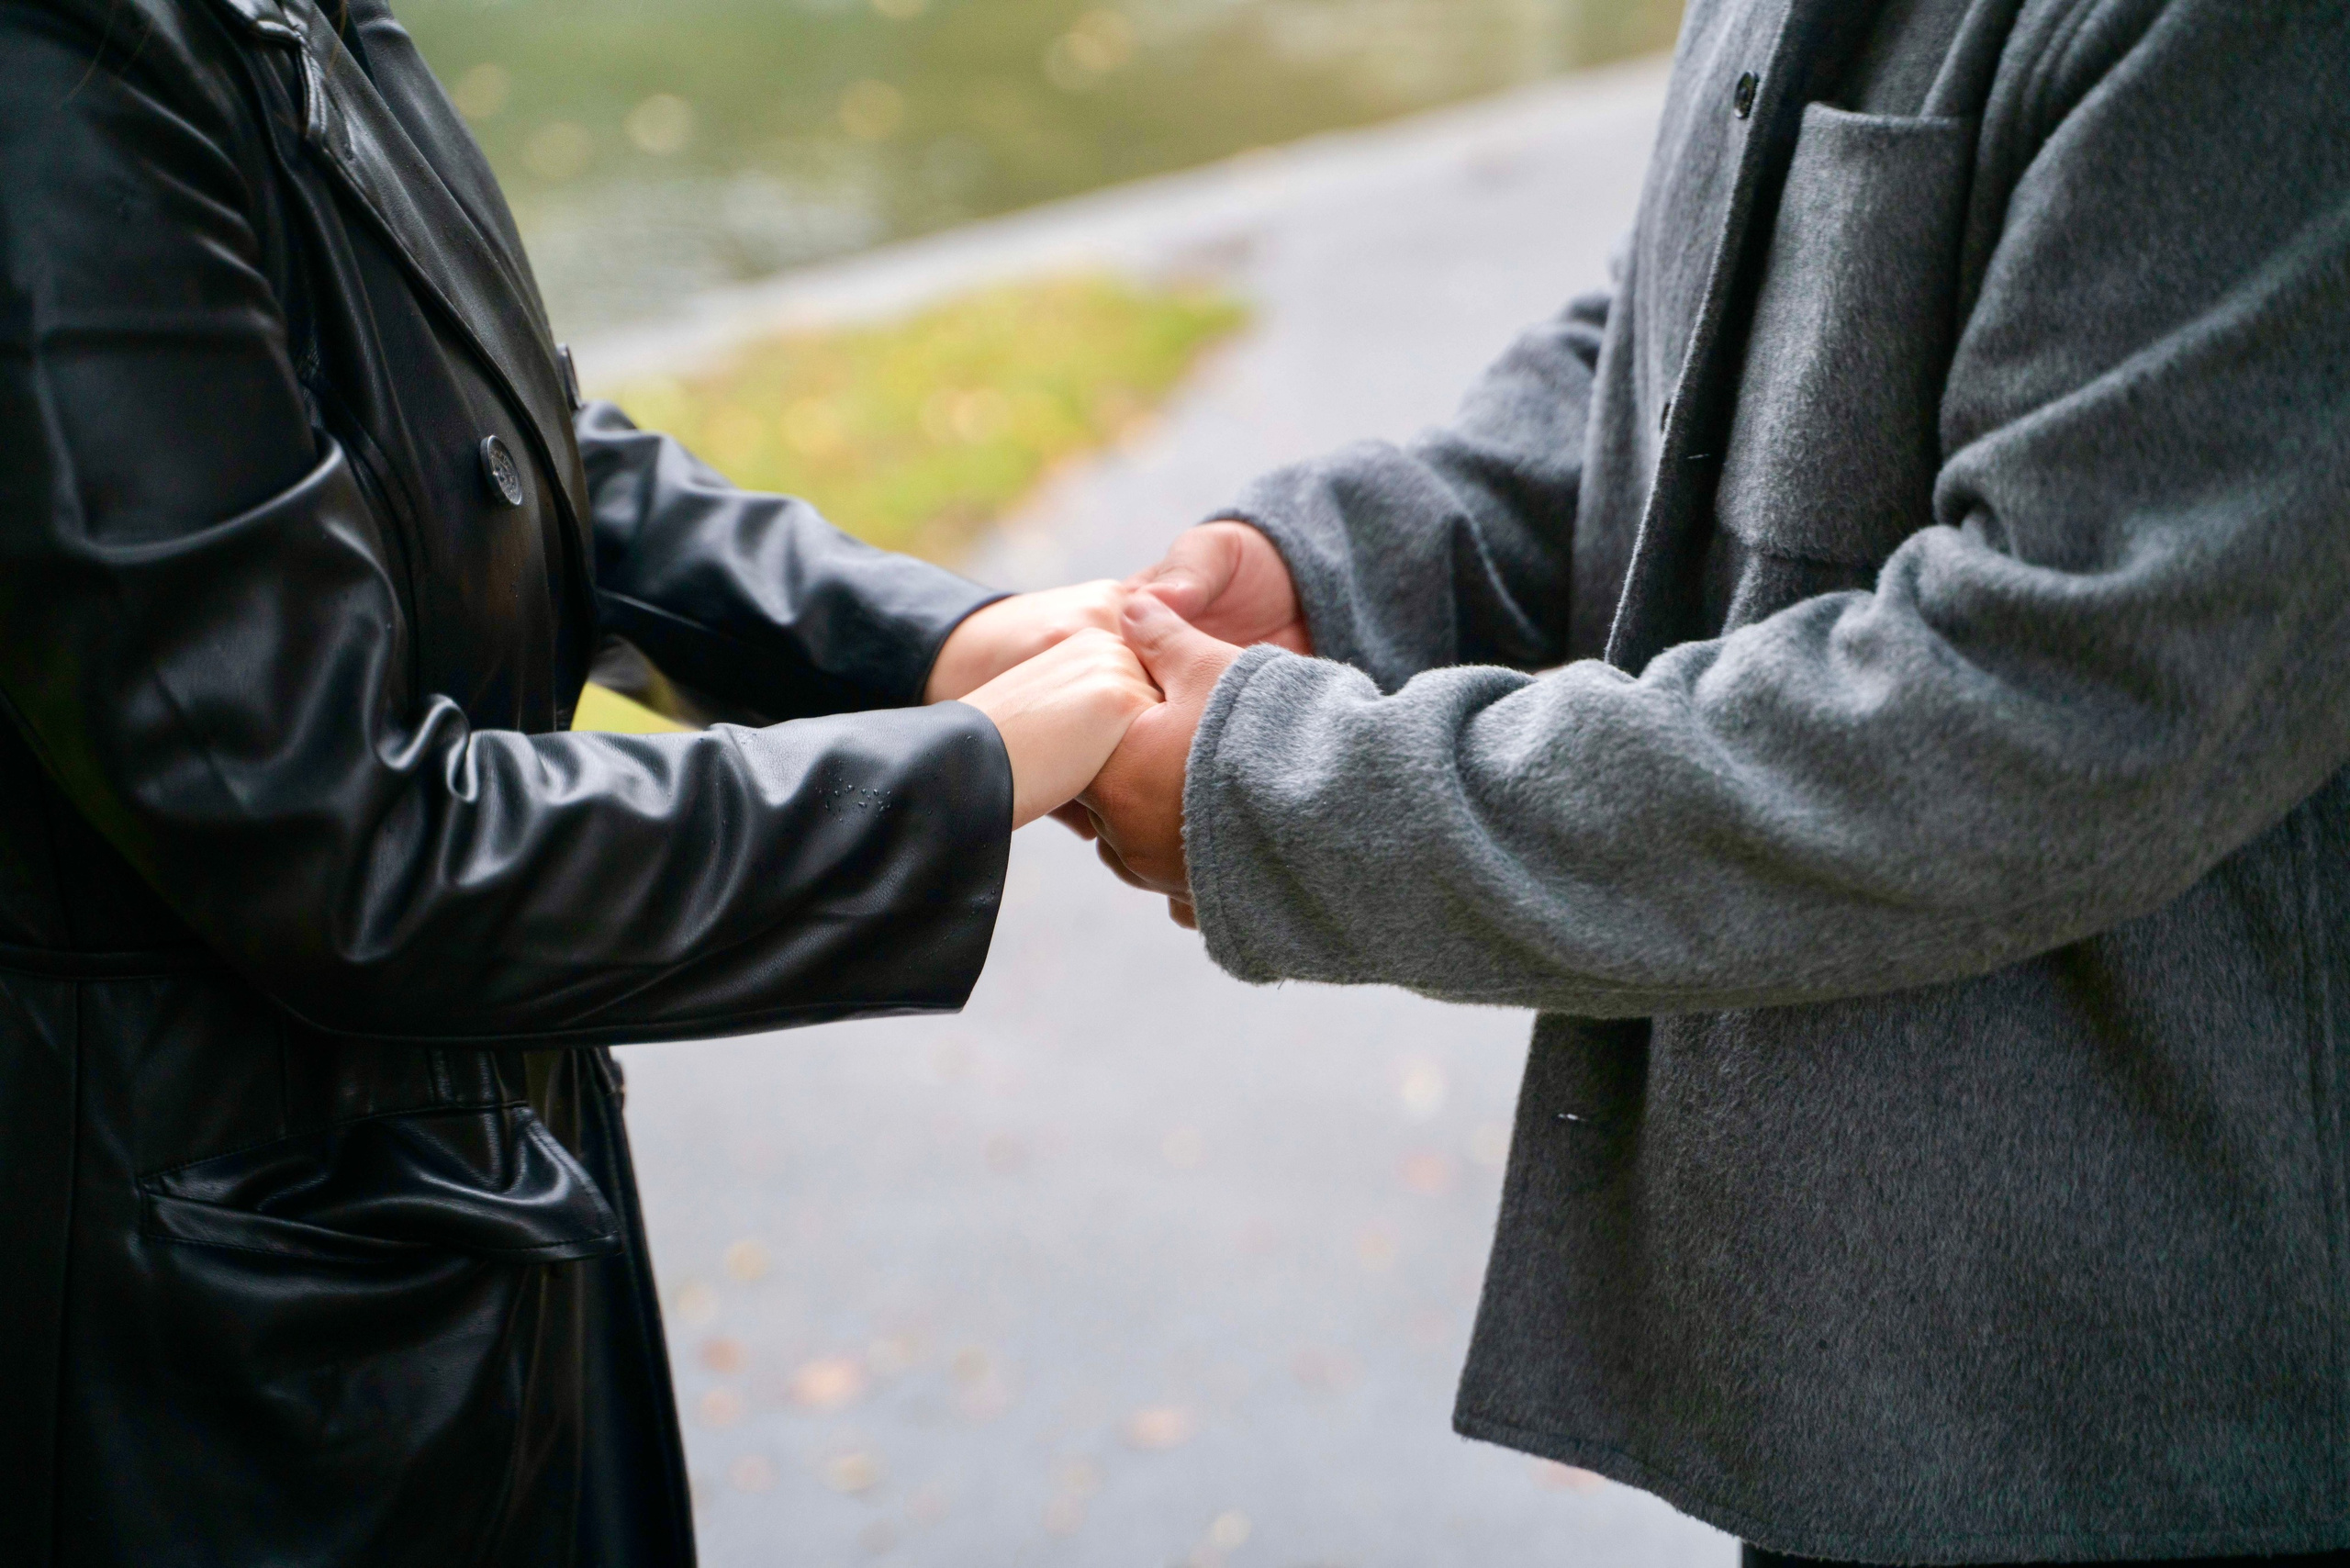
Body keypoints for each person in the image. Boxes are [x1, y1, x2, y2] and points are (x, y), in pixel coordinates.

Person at [1080, 0, 2350, 1563]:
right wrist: (1342, 570)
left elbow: (2050, 710)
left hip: (2175, 1434)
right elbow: (1692, 339)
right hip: (1877, 1402)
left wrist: (1307, 794)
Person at [0, 0, 1158, 1562]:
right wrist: (950, 782)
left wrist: (931, 641)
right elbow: (344, 846)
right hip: (228, 1354)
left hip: (444, 1222)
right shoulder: (54, 79)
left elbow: (494, 446)